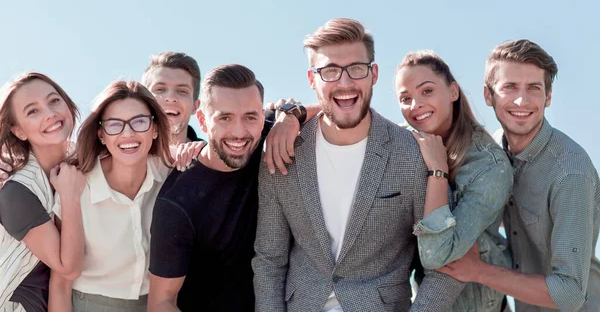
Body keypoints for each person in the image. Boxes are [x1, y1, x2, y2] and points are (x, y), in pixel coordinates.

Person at [252, 18, 464, 312]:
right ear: (312, 80)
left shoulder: (412, 155)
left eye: (356, 68)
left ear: (373, 73)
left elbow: (445, 266)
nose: (345, 82)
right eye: (329, 71)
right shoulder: (281, 150)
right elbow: (269, 260)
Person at [437, 39, 600, 311]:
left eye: (534, 88)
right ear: (488, 95)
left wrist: (478, 270)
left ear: (548, 96)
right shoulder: (491, 154)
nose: (522, 100)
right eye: (509, 87)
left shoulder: (570, 172)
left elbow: (570, 294)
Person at [148, 64, 309, 311]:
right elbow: (161, 303)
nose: (239, 132)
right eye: (224, 118)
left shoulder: (268, 137)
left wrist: (290, 117)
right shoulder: (177, 203)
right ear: (202, 119)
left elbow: (331, 115)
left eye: (250, 117)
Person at [394, 50, 513, 311]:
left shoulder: (489, 167)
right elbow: (356, 124)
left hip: (479, 304)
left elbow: (438, 255)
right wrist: (293, 115)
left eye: (426, 91)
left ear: (453, 92)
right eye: (405, 98)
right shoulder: (409, 139)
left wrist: (438, 170)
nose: (415, 105)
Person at [49, 81, 174, 312]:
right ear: (101, 135)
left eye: (139, 122)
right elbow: (60, 283)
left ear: (155, 129)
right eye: (114, 125)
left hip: (157, 303)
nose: (128, 133)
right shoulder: (76, 186)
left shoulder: (171, 174)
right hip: (89, 304)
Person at [0, 73, 86, 312]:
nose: (49, 113)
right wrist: (69, 197)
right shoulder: (15, 190)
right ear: (19, 131)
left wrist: (188, 150)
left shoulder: (80, 158)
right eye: (32, 111)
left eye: (54, 101)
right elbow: (68, 267)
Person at [142, 51, 203, 144]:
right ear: (143, 101)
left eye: (182, 91)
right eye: (160, 89)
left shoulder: (214, 158)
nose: (170, 98)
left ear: (194, 106)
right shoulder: (121, 156)